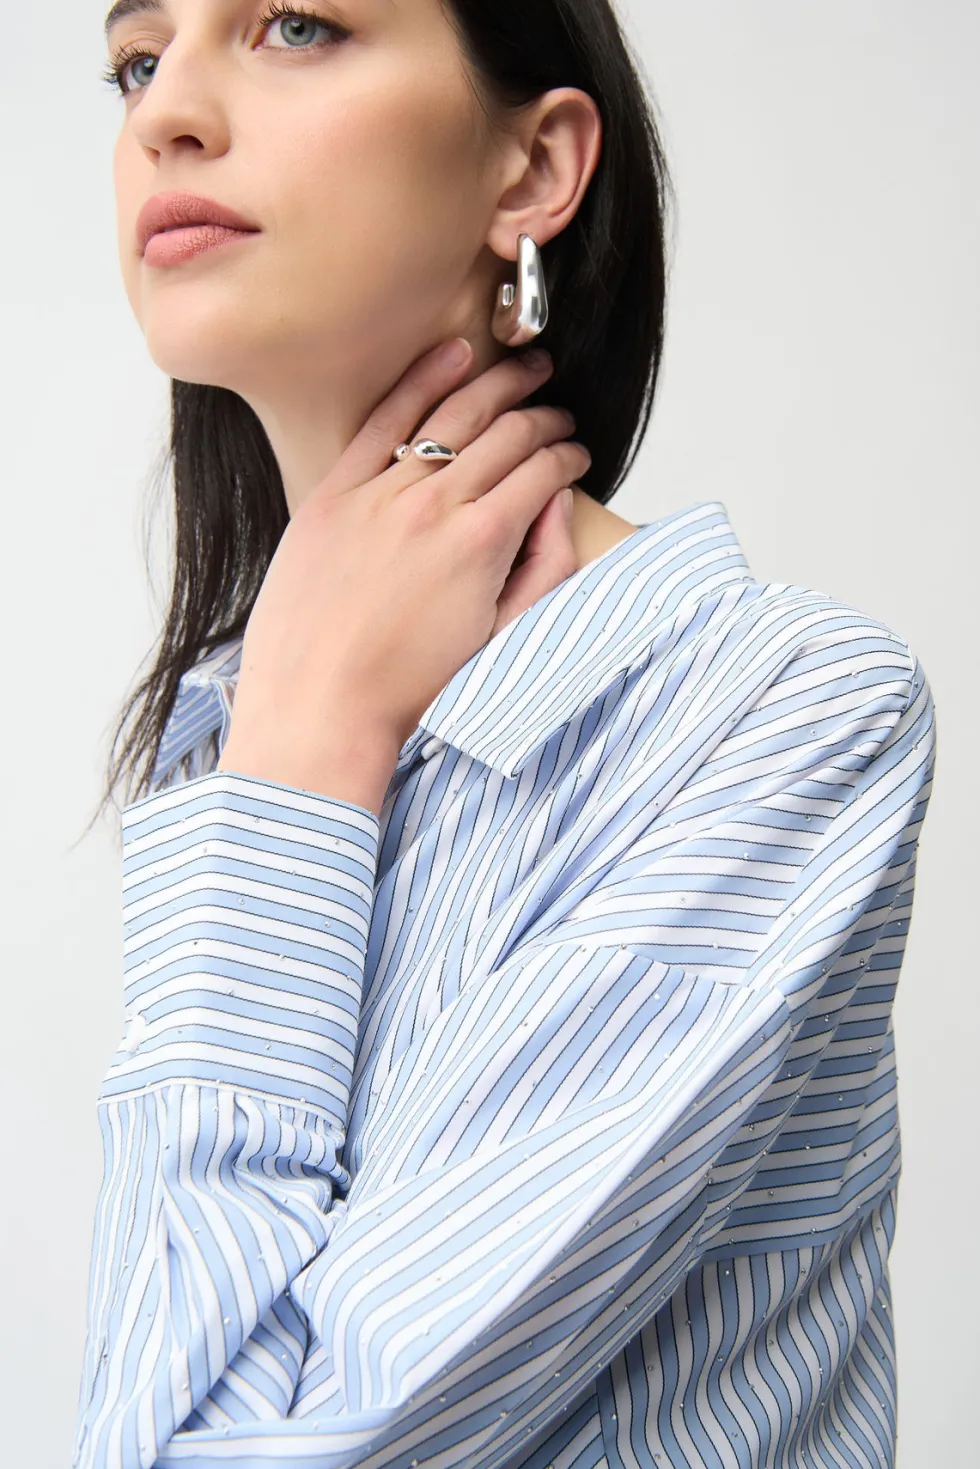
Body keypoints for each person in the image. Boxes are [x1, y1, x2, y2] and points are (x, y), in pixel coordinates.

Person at [74, 2, 937, 1466]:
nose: (165, 113)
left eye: (295, 25)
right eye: (138, 60)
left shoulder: (783, 707)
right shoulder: (234, 727)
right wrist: (297, 742)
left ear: (533, 168)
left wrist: (301, 759)